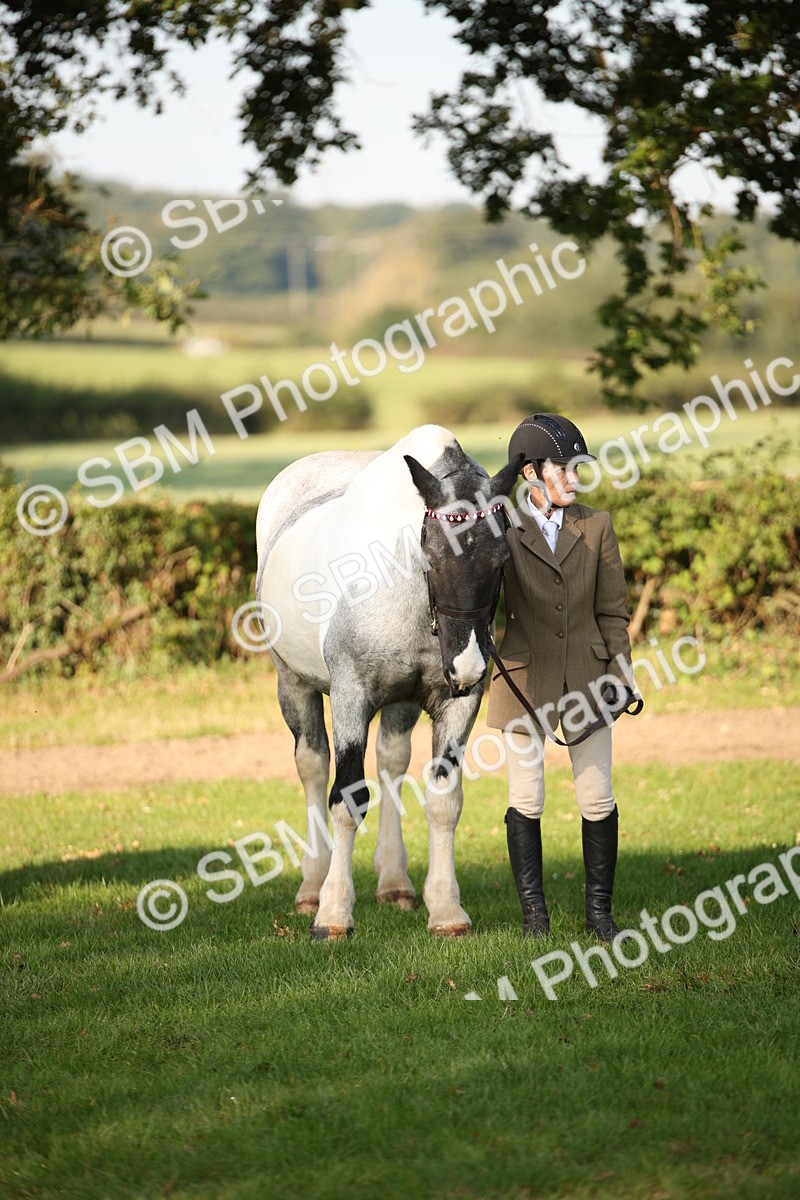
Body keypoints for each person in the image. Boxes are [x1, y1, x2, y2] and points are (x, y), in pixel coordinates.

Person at [486, 413, 638, 941]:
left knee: (596, 796)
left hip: (590, 677)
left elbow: (613, 612)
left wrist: (623, 674)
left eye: (578, 469)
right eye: (565, 469)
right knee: (527, 799)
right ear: (530, 472)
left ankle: (600, 914)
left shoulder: (596, 527)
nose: (575, 479)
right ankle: (535, 918)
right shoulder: (500, 529)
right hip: (522, 679)